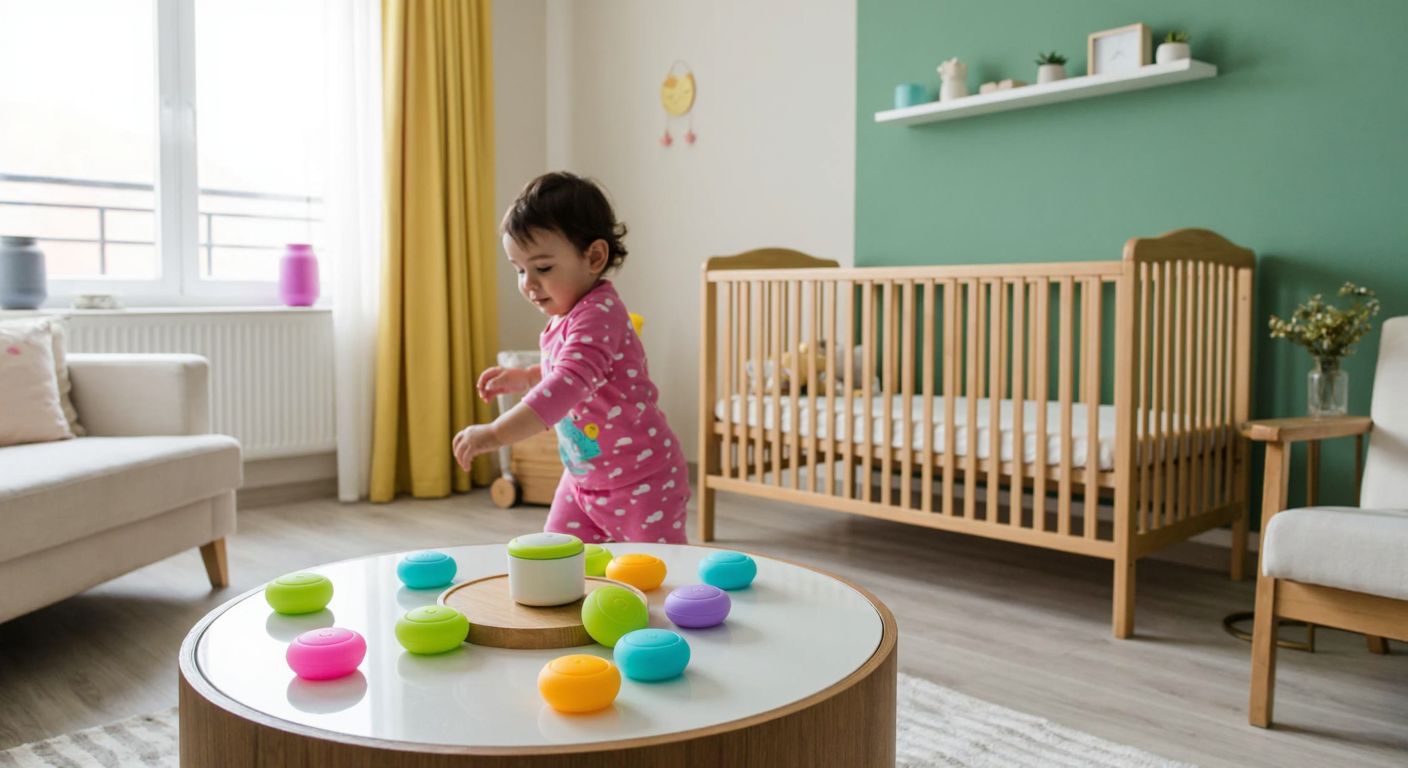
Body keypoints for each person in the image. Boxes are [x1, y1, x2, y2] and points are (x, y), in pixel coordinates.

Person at [452, 172, 689, 543]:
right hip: (583, 481)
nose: (528, 283)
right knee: (557, 558)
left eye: (542, 268)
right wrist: (527, 376)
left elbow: (568, 384)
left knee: (657, 576)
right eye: (519, 270)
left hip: (641, 482)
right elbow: (569, 373)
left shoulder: (599, 313)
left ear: (594, 257)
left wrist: (495, 434)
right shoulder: (565, 316)